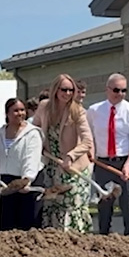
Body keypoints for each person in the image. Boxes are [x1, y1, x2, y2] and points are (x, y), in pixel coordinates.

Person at [87, 73, 129, 236]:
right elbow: (88, 136)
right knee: (104, 205)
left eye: (123, 90)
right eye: (116, 90)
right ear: (107, 90)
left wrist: (128, 165)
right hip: (103, 163)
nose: (120, 94)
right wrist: (91, 154)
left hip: (127, 162)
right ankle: (103, 236)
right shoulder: (94, 111)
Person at [35, 75, 94, 232]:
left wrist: (70, 156)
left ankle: (74, 243)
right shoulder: (44, 107)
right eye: (64, 89)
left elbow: (87, 141)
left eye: (71, 90)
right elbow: (33, 130)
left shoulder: (77, 112)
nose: (67, 93)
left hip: (72, 169)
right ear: (55, 90)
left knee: (69, 207)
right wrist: (37, 144)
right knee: (51, 205)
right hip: (52, 166)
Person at [0, 98, 42, 231]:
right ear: (7, 114)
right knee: (7, 225)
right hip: (7, 183)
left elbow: (31, 158)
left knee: (26, 226)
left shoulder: (32, 133)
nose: (20, 113)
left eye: (22, 110)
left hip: (26, 183)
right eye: (15, 110)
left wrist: (27, 180)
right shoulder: (0, 133)